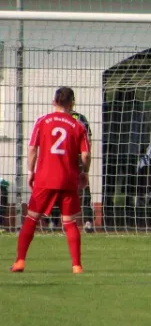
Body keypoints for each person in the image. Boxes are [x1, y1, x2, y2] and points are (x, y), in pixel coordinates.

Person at [10, 87, 91, 273]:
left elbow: (32, 149)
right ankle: (76, 265)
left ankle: (20, 261)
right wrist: (84, 172)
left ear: (54, 101)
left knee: (31, 219)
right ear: (72, 103)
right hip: (68, 179)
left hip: (45, 178)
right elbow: (85, 155)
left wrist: (31, 171)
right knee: (70, 223)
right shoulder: (78, 125)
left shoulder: (42, 121)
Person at [47, 108, 94, 233]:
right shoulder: (56, 118)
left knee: (82, 189)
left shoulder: (78, 118)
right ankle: (55, 220)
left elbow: (88, 140)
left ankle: (87, 221)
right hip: (63, 160)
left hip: (71, 159)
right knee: (59, 189)